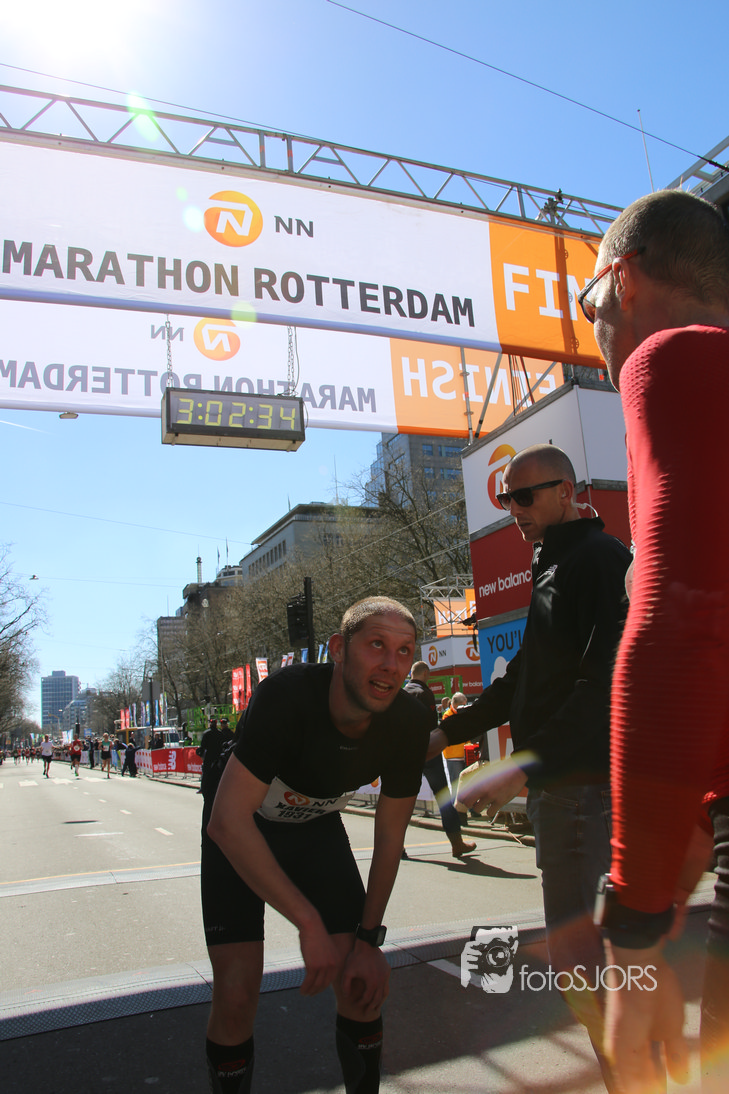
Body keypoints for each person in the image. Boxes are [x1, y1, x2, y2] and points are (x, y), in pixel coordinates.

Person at [580, 188, 729, 1093]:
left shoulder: (669, 359)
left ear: (621, 280)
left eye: (586, 302)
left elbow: (684, 619)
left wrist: (632, 932)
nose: (592, 328)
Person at [428, 442, 631, 1086]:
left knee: (581, 958)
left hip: (582, 787)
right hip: (561, 788)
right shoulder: (553, 563)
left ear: (567, 492)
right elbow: (518, 683)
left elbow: (605, 682)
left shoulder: (598, 558)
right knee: (581, 957)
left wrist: (523, 765)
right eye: (506, 498)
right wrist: (444, 733)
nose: (513, 509)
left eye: (525, 495)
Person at [202, 596, 431, 1094]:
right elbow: (226, 823)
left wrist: (369, 940)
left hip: (315, 825)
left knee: (360, 982)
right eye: (376, 645)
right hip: (242, 826)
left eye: (404, 651)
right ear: (338, 649)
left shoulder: (409, 722)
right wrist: (308, 922)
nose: (391, 665)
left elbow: (391, 837)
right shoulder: (286, 695)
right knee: (237, 993)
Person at [405, 667, 476, 859]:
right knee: (443, 796)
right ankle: (457, 843)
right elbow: (432, 725)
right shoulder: (425, 693)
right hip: (428, 751)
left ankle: (396, 847)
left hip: (407, 754)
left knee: (402, 801)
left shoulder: (402, 693)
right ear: (425, 674)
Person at [196, 716, 234, 800]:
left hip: (209, 757)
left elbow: (203, 746)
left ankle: (203, 788)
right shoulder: (221, 733)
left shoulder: (206, 733)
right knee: (220, 773)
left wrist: (201, 755)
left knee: (206, 773)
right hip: (219, 757)